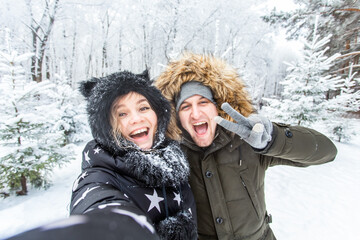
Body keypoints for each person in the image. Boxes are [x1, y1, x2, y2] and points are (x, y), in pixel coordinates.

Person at [155, 53, 338, 240]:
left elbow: (327, 151)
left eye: (203, 102)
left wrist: (274, 138)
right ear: (176, 116)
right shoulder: (171, 156)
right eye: (185, 106)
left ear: (217, 107)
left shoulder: (249, 139)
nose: (195, 113)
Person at [68, 70, 197, 239]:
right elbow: (99, 210)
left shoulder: (174, 162)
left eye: (143, 108)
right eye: (121, 114)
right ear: (104, 126)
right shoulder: (97, 178)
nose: (136, 119)